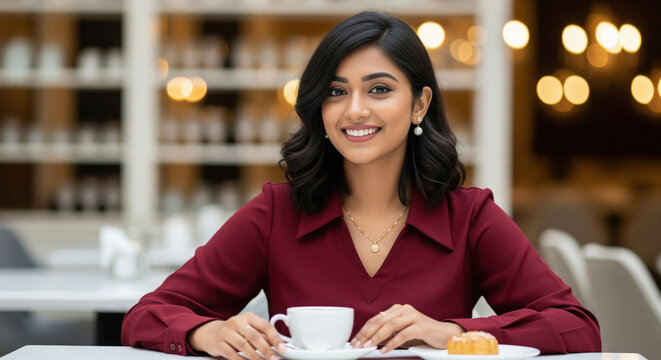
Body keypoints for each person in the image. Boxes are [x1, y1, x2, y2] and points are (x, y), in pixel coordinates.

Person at [121, 11, 601, 359]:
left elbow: (578, 329)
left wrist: (451, 332)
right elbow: (148, 314)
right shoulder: (276, 212)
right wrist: (207, 333)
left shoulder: (470, 217)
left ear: (419, 105)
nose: (354, 109)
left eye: (379, 89)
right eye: (335, 91)